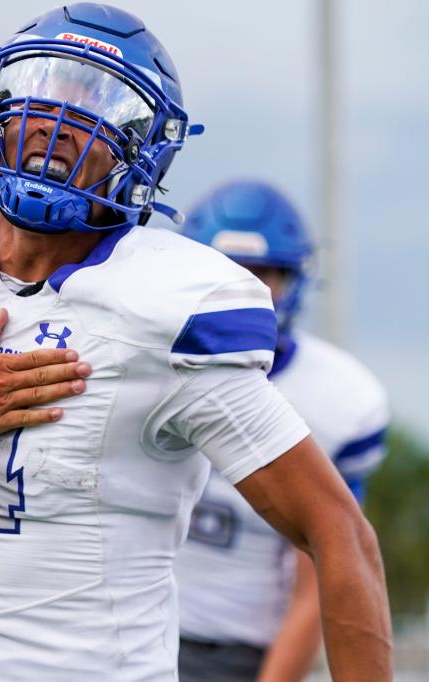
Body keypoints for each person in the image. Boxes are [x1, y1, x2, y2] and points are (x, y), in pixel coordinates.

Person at [0, 4, 391, 680]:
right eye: (42, 94)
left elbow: (339, 533)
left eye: (94, 108)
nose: (56, 125)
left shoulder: (167, 312)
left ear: (140, 154)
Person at [174, 180, 390, 681]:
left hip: (233, 654)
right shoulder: (139, 350)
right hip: (117, 633)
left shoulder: (340, 400)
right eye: (230, 272)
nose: (249, 289)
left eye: (264, 274)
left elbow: (322, 574)